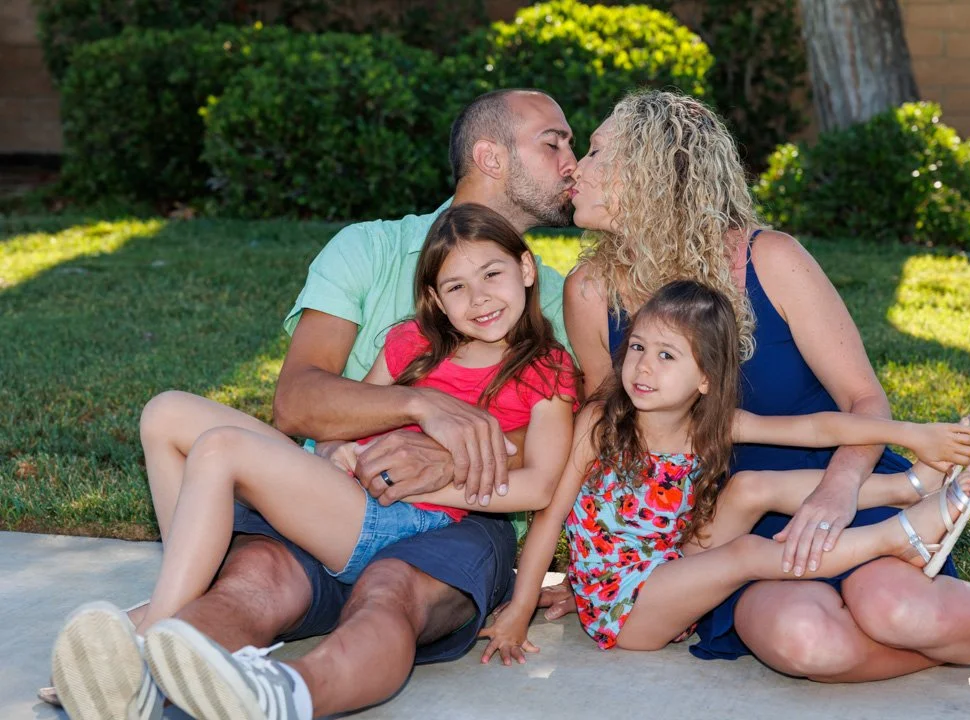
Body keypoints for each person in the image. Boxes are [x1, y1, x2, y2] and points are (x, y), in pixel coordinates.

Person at [45, 88, 579, 720]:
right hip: (340, 495)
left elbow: (575, 450)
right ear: (490, 156)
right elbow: (298, 402)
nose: (572, 160)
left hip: (460, 522)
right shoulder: (373, 255)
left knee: (389, 593)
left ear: (521, 271)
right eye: (555, 142)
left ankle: (268, 686)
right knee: (213, 499)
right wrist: (405, 415)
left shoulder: (557, 308)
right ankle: (157, 649)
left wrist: (450, 460)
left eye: (572, 145)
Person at [552, 89, 970, 679]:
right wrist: (597, 575)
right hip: (717, 533)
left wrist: (839, 490)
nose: (576, 168)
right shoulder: (591, 291)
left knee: (895, 608)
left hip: (829, 481)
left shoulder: (770, 258)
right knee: (806, 641)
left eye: (597, 152)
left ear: (654, 170)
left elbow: (863, 398)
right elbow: (609, 449)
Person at [480, 280, 970, 661]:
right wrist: (520, 610)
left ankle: (907, 486)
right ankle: (897, 539)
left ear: (704, 378)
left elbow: (815, 429)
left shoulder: (711, 427)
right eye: (637, 347)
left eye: (666, 355)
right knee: (746, 553)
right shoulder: (601, 423)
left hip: (672, 566)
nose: (643, 367)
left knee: (749, 487)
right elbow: (549, 517)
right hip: (625, 611)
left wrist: (910, 434)